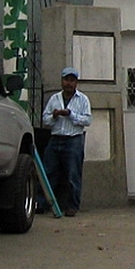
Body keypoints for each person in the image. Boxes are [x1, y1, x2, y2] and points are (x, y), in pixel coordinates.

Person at [41, 67, 91, 217]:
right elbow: (45, 119)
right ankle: (42, 203)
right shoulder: (54, 99)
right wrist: (55, 116)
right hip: (56, 139)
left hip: (73, 140)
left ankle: (72, 206)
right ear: (62, 81)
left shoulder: (82, 99)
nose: (68, 83)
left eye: (72, 80)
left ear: (76, 82)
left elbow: (87, 120)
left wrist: (71, 114)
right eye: (66, 80)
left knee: (72, 175)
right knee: (48, 172)